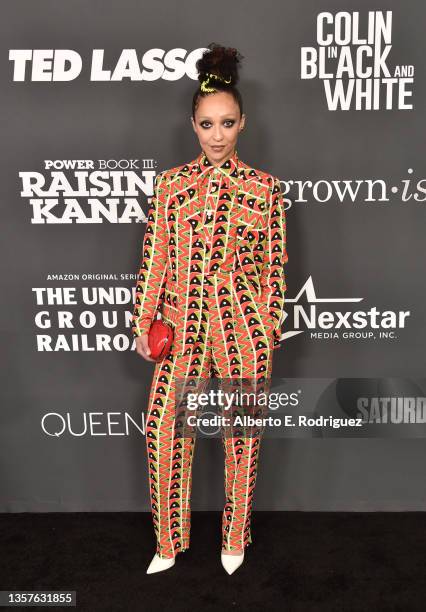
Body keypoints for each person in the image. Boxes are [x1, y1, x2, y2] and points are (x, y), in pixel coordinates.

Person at [131, 43, 288, 575]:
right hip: (179, 325)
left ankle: (234, 538)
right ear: (192, 125)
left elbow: (274, 270)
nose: (216, 135)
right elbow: (154, 261)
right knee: (163, 429)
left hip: (242, 328)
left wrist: (267, 326)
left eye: (226, 123)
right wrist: (143, 322)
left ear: (243, 123)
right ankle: (168, 543)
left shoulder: (265, 190)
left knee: (241, 435)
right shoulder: (171, 186)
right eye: (206, 124)